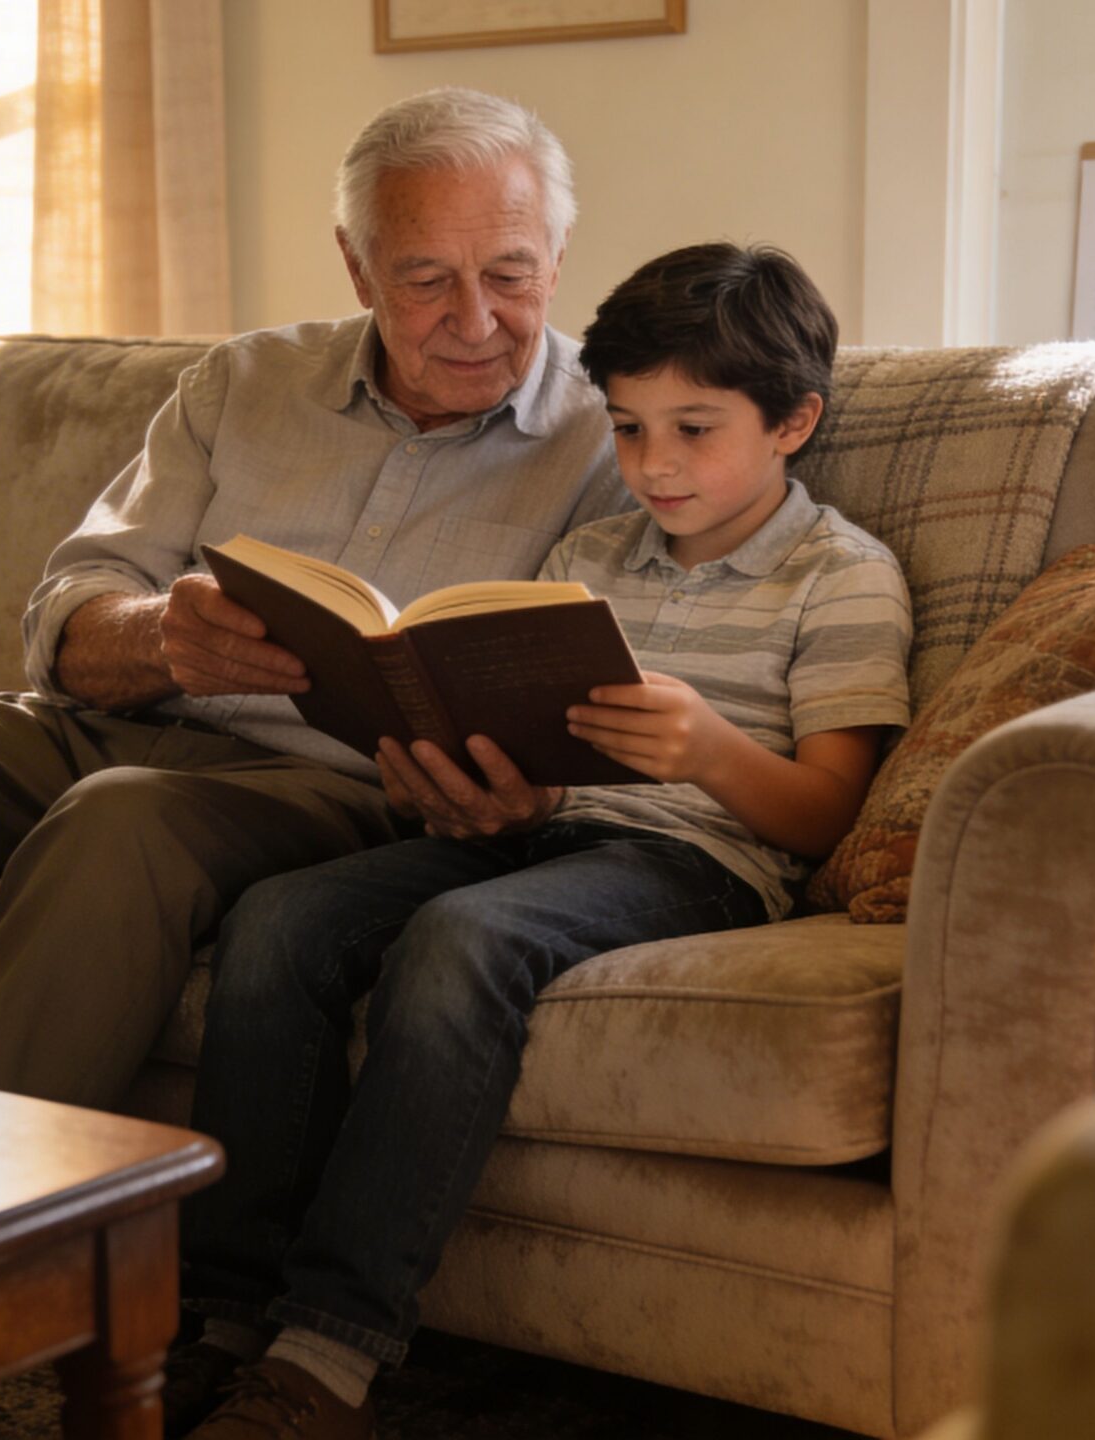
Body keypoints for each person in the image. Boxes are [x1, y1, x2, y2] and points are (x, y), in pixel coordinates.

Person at [0, 87, 626, 1112]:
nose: (475, 319)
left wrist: (533, 792)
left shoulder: (616, 440)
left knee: (122, 819)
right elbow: (72, 601)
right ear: (356, 266)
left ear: (559, 250)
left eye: (509, 274)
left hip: (333, 794)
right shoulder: (246, 380)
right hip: (113, 727)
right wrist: (154, 635)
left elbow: (619, 708)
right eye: (423, 280)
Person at [169, 243, 914, 1440]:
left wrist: (709, 751)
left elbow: (827, 816)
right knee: (281, 918)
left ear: (793, 423)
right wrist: (488, 787)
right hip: (545, 830)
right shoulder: (589, 560)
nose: (651, 466)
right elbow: (532, 743)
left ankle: (330, 1352)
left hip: (694, 861)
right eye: (625, 429)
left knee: (464, 938)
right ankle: (220, 1313)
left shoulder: (843, 578)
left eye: (692, 429)